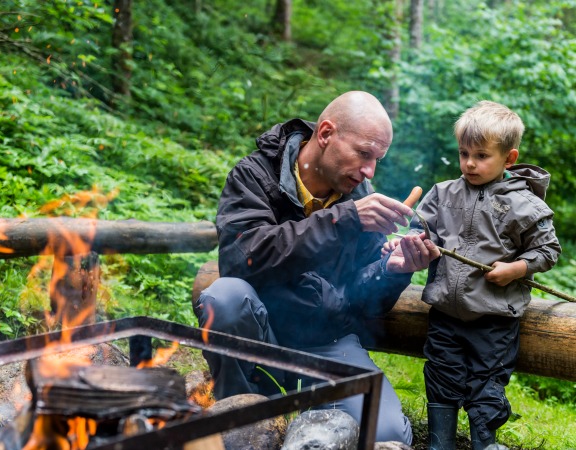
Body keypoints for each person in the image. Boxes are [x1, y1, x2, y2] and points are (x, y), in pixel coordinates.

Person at [193, 90, 439, 445]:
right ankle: (243, 411)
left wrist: (392, 271)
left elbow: (361, 298)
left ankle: (311, 413)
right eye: (364, 153)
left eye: (378, 159)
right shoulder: (255, 175)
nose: (369, 170)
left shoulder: (358, 194)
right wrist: (344, 220)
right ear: (325, 134)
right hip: (264, 336)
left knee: (387, 434)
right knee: (225, 297)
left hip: (329, 341)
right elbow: (244, 260)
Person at [409, 101, 561, 450]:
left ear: (509, 158)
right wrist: (419, 241)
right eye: (464, 154)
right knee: (441, 375)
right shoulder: (443, 194)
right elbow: (421, 232)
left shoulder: (525, 205)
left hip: (494, 319)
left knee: (487, 383)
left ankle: (484, 443)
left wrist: (516, 269)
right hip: (446, 314)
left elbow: (548, 250)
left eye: (481, 155)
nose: (470, 164)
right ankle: (440, 443)